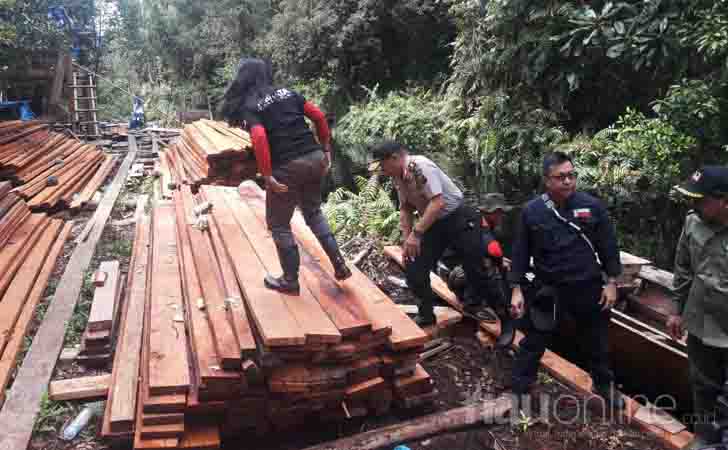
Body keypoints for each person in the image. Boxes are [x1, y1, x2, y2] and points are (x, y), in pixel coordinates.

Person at [221, 58, 351, 294]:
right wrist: (326, 149)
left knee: (280, 224)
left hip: (288, 166)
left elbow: (259, 137)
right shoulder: (288, 93)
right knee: (313, 212)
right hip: (315, 158)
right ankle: (339, 264)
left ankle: (290, 281)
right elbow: (319, 117)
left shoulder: (251, 104)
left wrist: (268, 175)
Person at [508, 151, 624, 409]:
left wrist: (612, 282)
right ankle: (520, 387)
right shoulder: (532, 212)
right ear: (547, 181)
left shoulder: (592, 207)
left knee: (597, 340)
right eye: (561, 177)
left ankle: (604, 384)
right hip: (548, 287)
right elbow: (520, 253)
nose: (568, 182)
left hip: (587, 285)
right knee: (535, 339)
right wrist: (516, 289)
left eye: (572, 175)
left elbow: (608, 247)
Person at [369, 140, 489, 327]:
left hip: (458, 216)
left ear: (394, 158)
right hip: (433, 221)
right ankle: (426, 313)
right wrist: (407, 238)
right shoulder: (397, 176)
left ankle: (477, 304)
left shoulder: (420, 167)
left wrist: (416, 234)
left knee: (474, 262)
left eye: (382, 164)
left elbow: (437, 203)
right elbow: (406, 208)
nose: (381, 170)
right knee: (414, 266)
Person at [668, 166, 728, 446]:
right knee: (703, 386)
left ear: (724, 200)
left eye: (700, 199)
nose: (693, 205)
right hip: (701, 323)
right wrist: (676, 310)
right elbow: (683, 269)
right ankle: (705, 438)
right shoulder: (693, 222)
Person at [446, 193, 513, 319]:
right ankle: (472, 305)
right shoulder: (479, 229)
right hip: (456, 273)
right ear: (491, 212)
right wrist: (499, 262)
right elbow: (493, 252)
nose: (501, 216)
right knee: (490, 268)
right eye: (499, 212)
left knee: (488, 263)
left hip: (454, 267)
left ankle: (471, 296)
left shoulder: (477, 220)